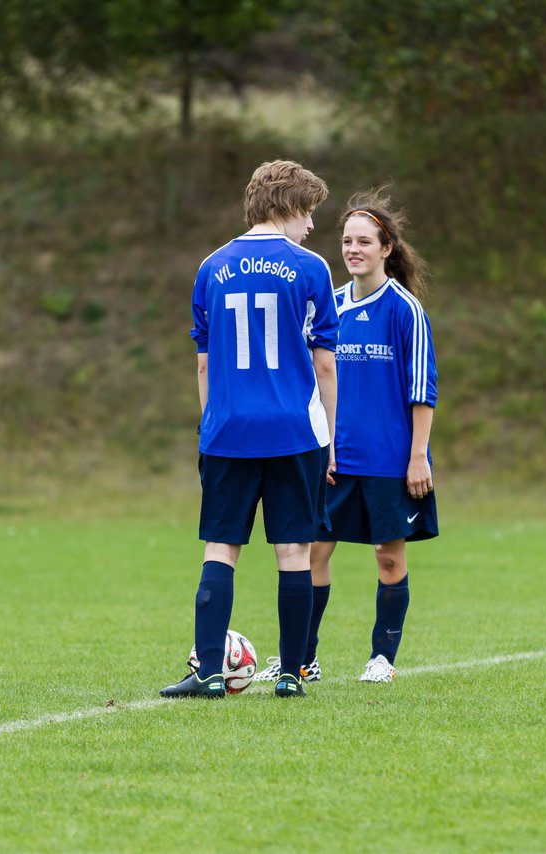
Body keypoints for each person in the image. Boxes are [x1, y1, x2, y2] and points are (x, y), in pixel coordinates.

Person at [160, 160, 338, 699]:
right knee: (294, 553)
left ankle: (209, 673)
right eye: (308, 212)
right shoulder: (311, 268)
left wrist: (210, 424)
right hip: (295, 432)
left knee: (220, 548)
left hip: (228, 431)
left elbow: (204, 362)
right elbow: (325, 363)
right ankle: (291, 675)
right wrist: (331, 436)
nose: (310, 226)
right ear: (287, 206)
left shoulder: (210, 267)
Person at [256, 189, 438, 685]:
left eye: (365, 241)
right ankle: (303, 658)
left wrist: (418, 456)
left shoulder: (404, 310)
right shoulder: (330, 306)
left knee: (388, 555)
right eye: (347, 240)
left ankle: (382, 657)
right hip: (334, 458)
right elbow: (312, 376)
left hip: (390, 459)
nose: (353, 249)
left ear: (387, 249)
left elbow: (423, 388)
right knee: (315, 551)